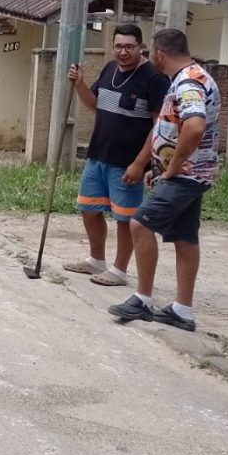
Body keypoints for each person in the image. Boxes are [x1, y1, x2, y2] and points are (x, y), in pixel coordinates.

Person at [107, 28, 220, 333]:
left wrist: (173, 167)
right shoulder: (195, 76)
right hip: (191, 173)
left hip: (185, 175)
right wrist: (158, 165)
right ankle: (181, 310)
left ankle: (143, 299)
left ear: (158, 53)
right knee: (185, 239)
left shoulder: (187, 83)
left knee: (140, 223)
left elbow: (194, 127)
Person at [62, 24, 169, 287]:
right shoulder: (109, 69)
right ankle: (96, 260)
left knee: (124, 217)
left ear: (140, 47)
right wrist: (80, 85)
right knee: (88, 208)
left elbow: (159, 127)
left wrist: (140, 163)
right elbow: (94, 105)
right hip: (99, 154)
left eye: (129, 47)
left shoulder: (154, 79)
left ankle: (119, 270)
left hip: (128, 161)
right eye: (118, 46)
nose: (123, 52)